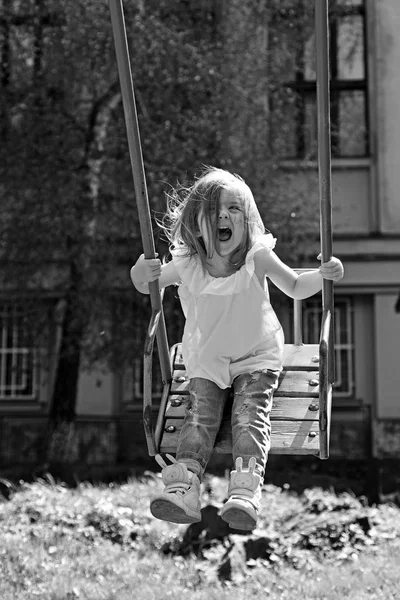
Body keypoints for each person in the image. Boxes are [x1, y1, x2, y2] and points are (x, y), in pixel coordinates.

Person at [130, 167, 344, 531]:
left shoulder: (256, 257)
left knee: (249, 414)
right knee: (199, 416)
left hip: (255, 356)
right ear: (196, 224)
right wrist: (141, 270)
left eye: (234, 209)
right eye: (214, 210)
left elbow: (293, 285)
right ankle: (185, 486)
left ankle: (244, 491)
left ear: (247, 222)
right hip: (207, 359)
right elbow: (144, 284)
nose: (224, 216)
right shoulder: (186, 265)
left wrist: (323, 275)